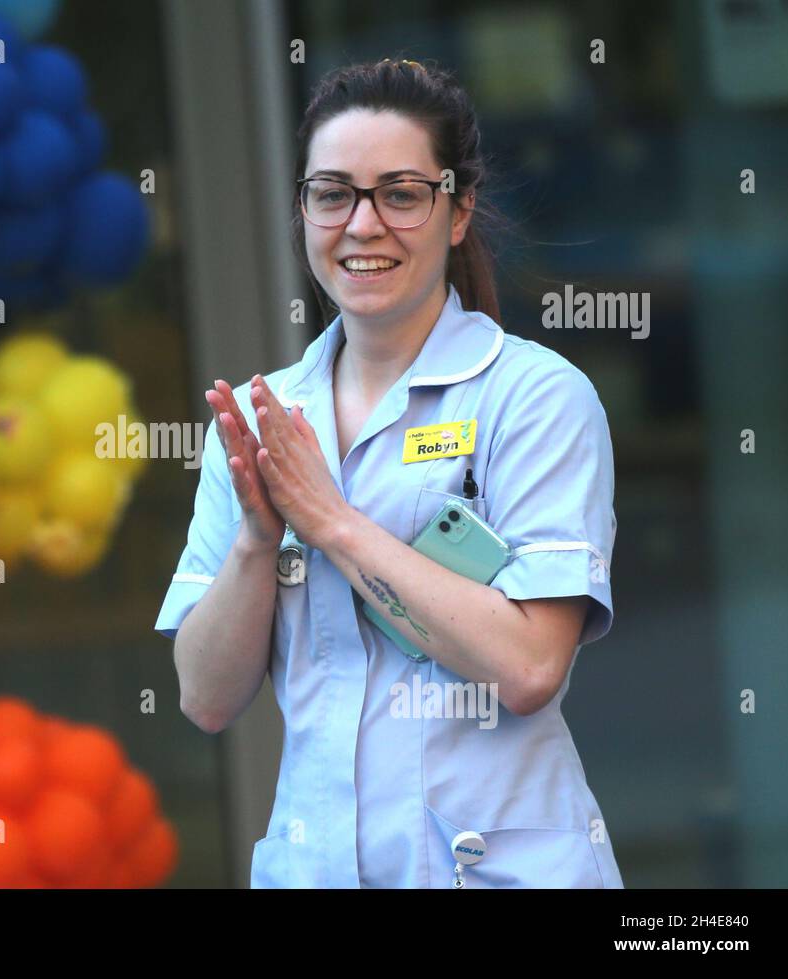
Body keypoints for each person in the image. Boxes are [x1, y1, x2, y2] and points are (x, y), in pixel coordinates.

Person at [155, 58, 623, 888]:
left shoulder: (535, 396)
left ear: (457, 209)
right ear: (302, 209)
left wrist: (333, 523)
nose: (362, 225)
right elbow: (204, 697)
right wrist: (259, 543)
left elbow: (528, 670)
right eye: (332, 193)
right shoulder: (266, 418)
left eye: (400, 193)